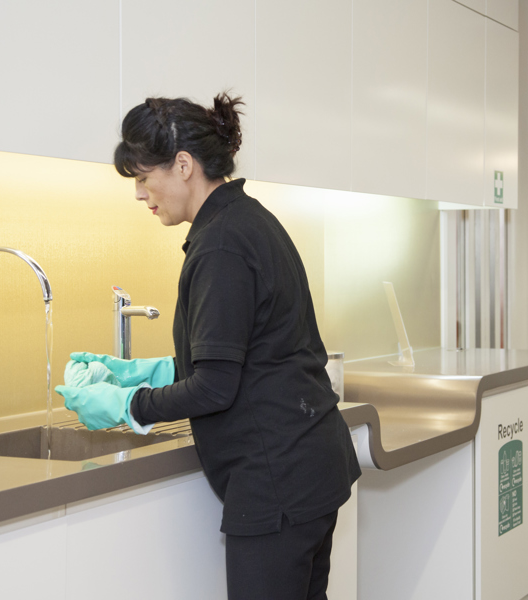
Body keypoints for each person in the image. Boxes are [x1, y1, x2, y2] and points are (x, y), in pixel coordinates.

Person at [55, 93, 362, 598]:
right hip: (308, 465)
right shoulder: (246, 219)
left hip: (276, 480)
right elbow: (242, 353)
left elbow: (216, 387)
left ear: (183, 165)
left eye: (142, 177)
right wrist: (145, 372)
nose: (139, 194)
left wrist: (127, 404)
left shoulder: (221, 243)